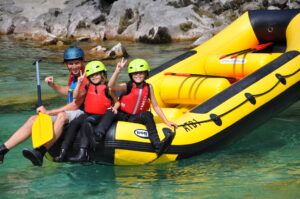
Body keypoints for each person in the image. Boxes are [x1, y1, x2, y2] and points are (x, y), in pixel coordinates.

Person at [0, 46, 87, 166]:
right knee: (33, 119)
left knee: (61, 116)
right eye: (70, 63)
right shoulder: (74, 76)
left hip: (82, 112)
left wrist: (48, 112)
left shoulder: (86, 77)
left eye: (77, 63)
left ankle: (40, 152)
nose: (74, 66)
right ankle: (3, 150)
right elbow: (69, 91)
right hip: (72, 111)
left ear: (83, 62)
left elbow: (74, 105)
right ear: (66, 64)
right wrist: (53, 85)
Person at [94, 58, 177, 156]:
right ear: (131, 75)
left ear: (146, 74)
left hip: (135, 118)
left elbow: (155, 106)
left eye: (141, 73)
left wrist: (166, 121)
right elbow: (111, 85)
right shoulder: (127, 86)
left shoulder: (149, 87)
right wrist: (117, 71)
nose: (138, 75)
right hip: (122, 115)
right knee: (111, 111)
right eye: (135, 73)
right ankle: (98, 135)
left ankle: (157, 145)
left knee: (148, 114)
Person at [54, 60, 120, 163]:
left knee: (87, 122)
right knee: (75, 122)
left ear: (102, 74)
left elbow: (117, 102)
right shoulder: (88, 86)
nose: (94, 77)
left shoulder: (108, 88)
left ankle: (83, 153)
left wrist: (114, 108)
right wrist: (79, 83)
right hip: (88, 112)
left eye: (97, 74)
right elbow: (76, 96)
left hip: (101, 115)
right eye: (92, 75)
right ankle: (63, 151)